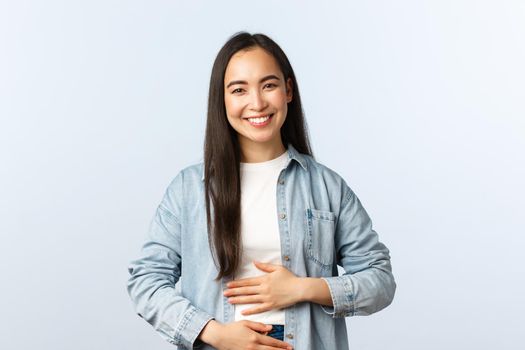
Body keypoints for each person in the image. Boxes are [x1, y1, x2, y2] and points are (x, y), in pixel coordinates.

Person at [127, 32, 396, 350]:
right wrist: (215, 333)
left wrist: (302, 288)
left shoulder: (327, 187)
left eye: (268, 85)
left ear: (288, 90)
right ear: (223, 99)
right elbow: (146, 281)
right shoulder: (188, 189)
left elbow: (380, 280)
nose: (256, 103)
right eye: (239, 90)